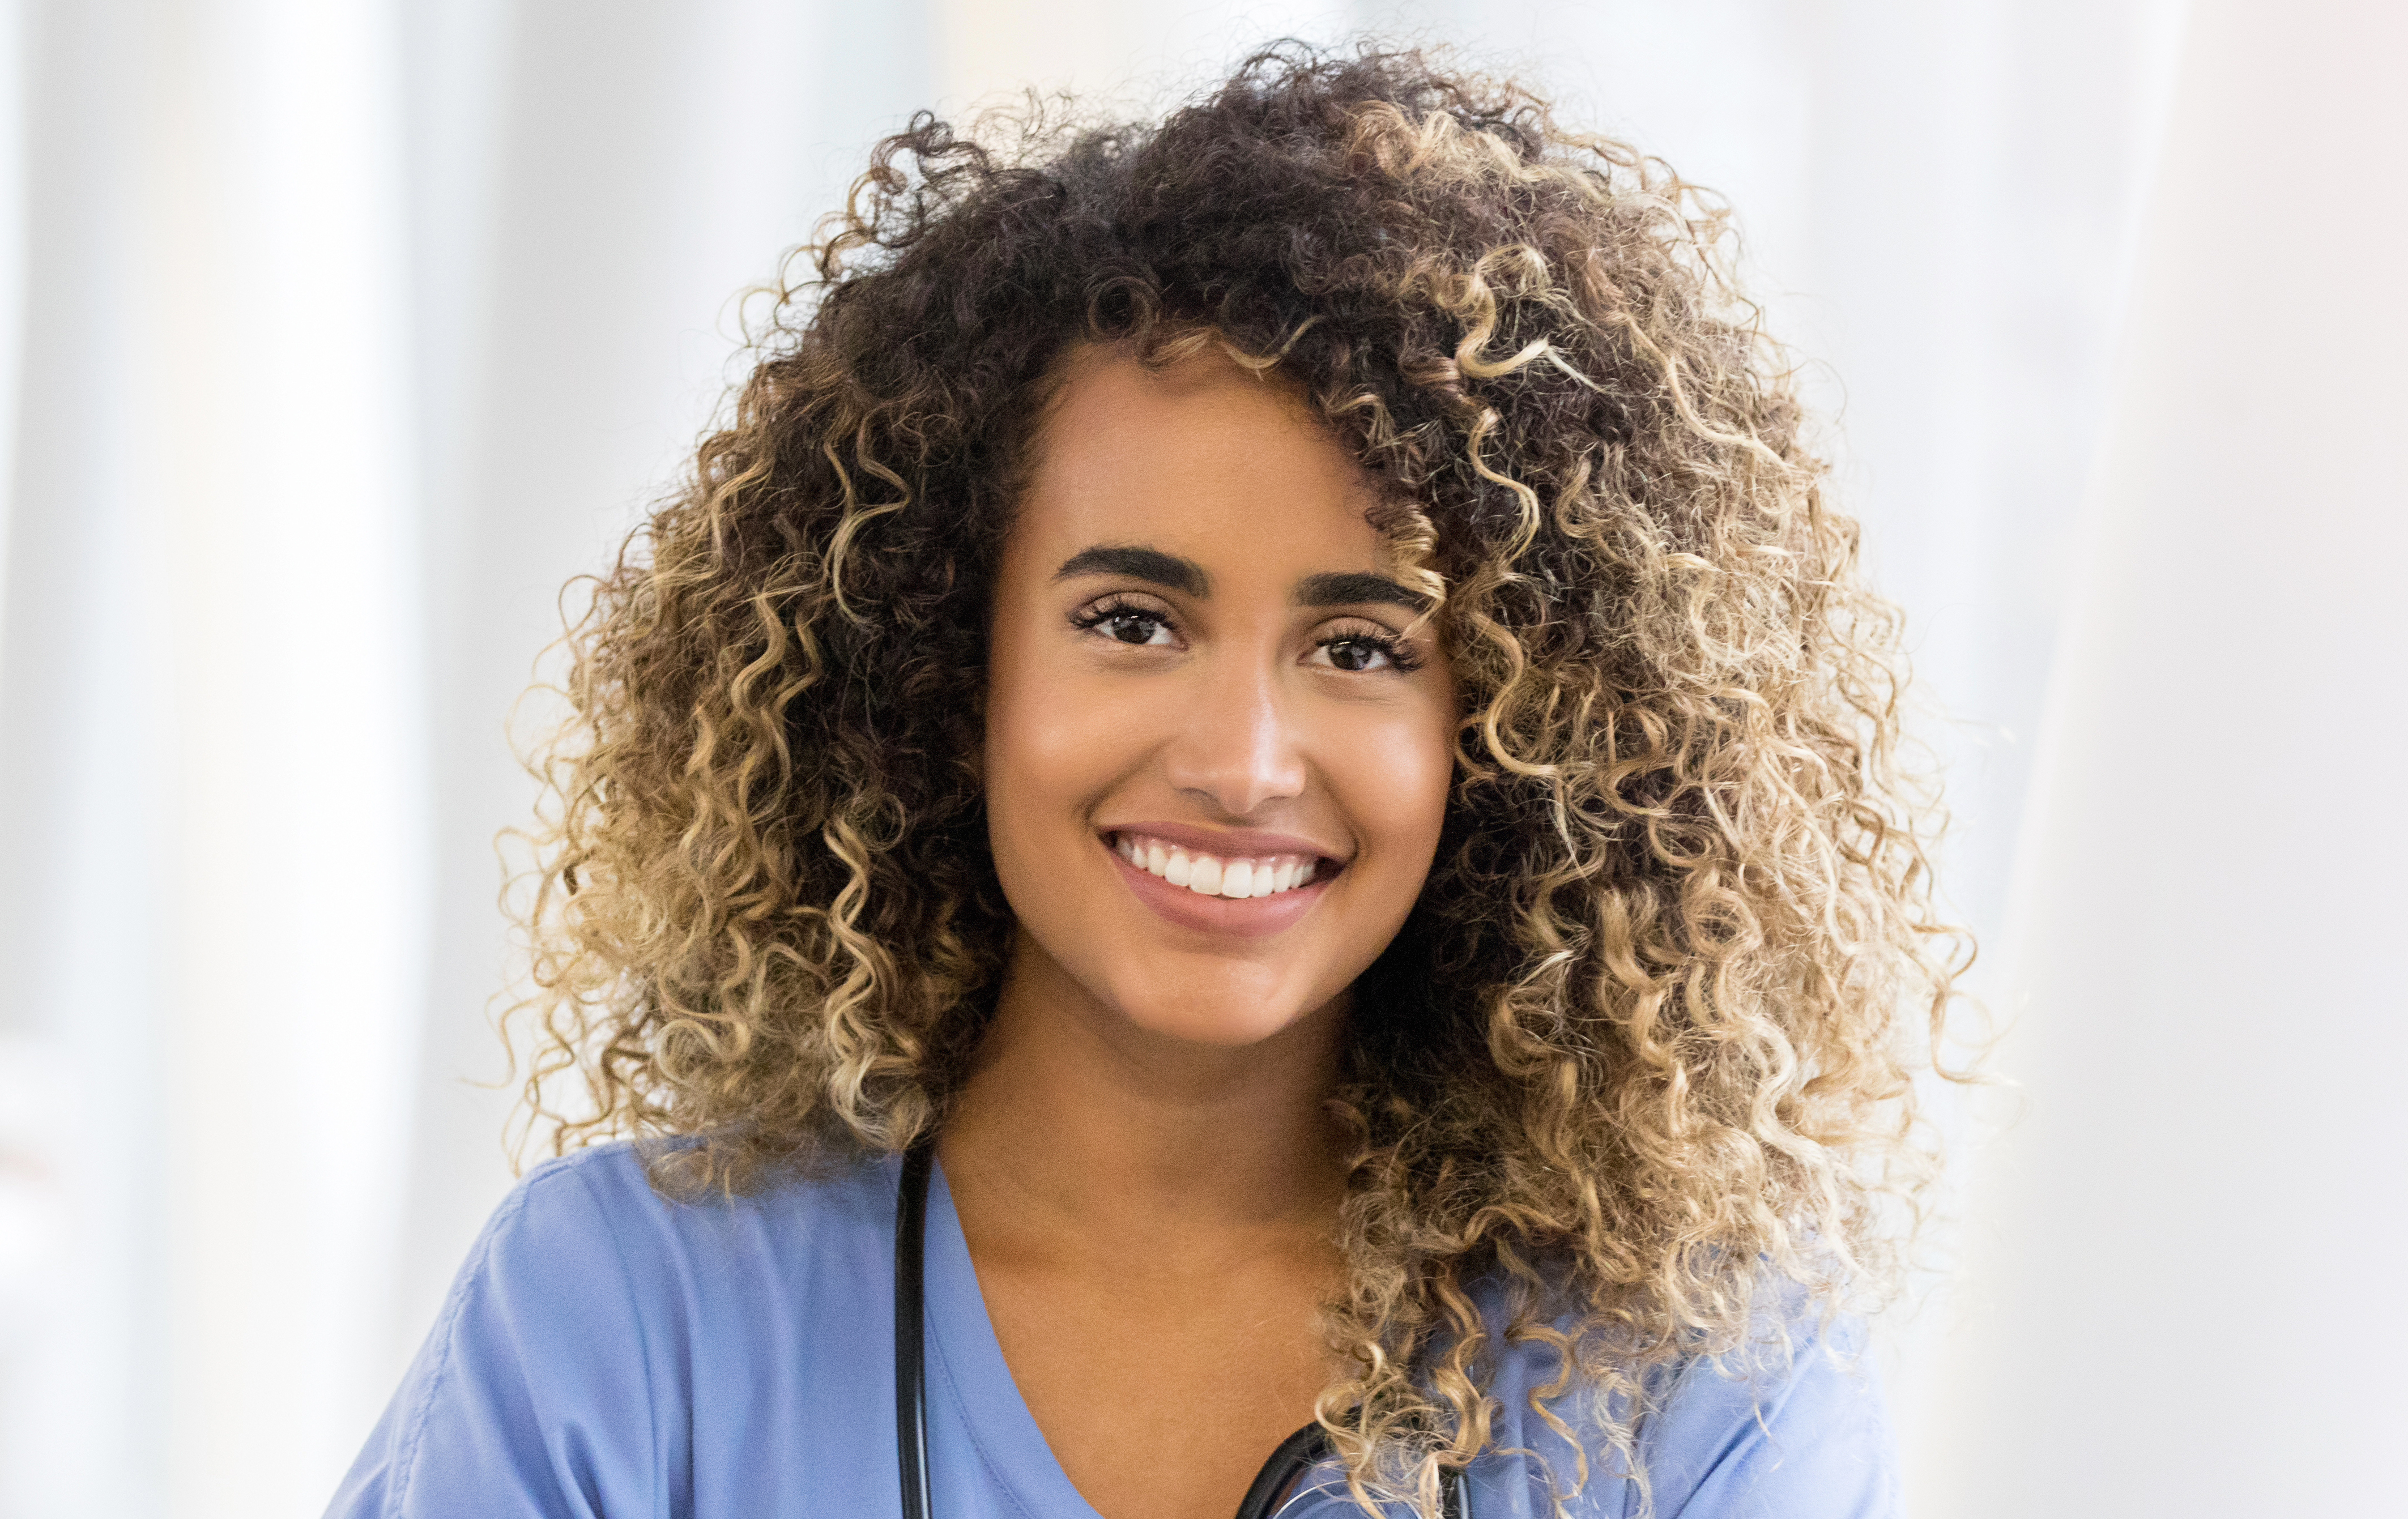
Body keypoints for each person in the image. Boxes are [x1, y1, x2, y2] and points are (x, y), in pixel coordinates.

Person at [329, 44, 1960, 1519]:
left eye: (1364, 645)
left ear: (1530, 725)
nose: (1239, 763)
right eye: (1130, 620)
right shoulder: (629, 1315)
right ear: (940, 663)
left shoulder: (1694, 1393)